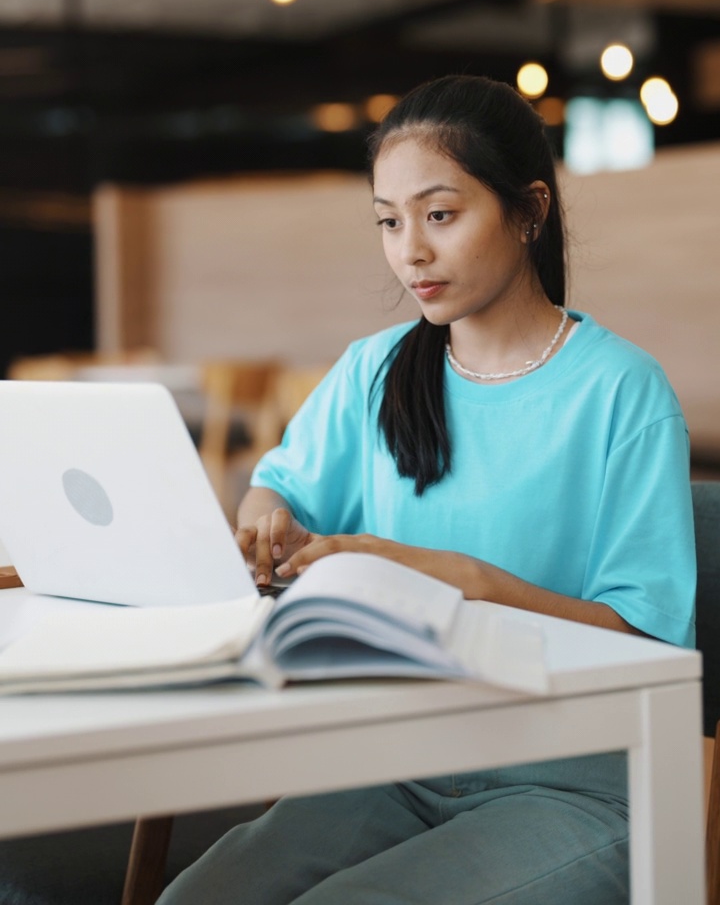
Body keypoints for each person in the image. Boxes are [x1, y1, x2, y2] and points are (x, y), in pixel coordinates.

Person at [159, 74, 695, 905]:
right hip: (392, 762)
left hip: (570, 785)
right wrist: (269, 529)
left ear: (529, 211)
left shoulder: (622, 391)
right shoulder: (374, 369)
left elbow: (650, 643)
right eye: (389, 220)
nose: (410, 249)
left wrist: (466, 582)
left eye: (440, 215)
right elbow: (275, 489)